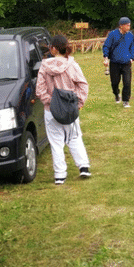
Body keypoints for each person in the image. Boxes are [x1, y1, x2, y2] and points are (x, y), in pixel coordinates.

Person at [36, 34, 91, 184]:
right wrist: (79, 102)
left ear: (53, 48)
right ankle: (83, 166)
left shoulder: (44, 67)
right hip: (70, 108)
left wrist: (51, 102)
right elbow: (83, 85)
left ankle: (60, 175)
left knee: (56, 142)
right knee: (74, 136)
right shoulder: (72, 65)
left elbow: (40, 89)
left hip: (50, 111)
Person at [102, 16, 134, 108]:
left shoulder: (130, 35)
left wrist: (132, 57)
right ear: (121, 26)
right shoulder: (113, 34)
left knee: (127, 82)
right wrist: (106, 57)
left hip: (126, 63)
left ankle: (126, 100)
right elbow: (106, 46)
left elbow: (132, 47)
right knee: (115, 82)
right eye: (127, 25)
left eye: (129, 25)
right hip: (115, 62)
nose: (129, 27)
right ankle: (116, 94)